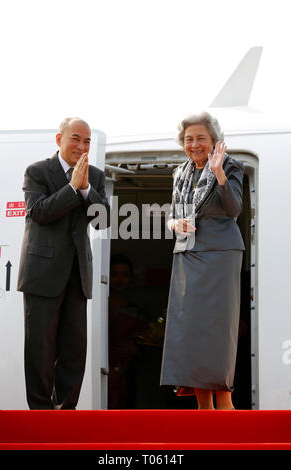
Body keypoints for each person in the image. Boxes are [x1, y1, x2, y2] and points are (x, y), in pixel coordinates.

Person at [17, 117, 110, 409]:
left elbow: (103, 220)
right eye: (75, 139)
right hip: (41, 273)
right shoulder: (37, 171)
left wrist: (84, 190)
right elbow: (39, 212)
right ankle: (42, 414)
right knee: (40, 350)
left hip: (76, 274)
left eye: (87, 141)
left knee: (73, 351)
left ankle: (66, 414)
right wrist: (72, 189)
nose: (82, 146)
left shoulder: (94, 176)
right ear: (59, 139)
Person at [160, 111, 245, 410]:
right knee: (190, 329)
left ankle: (224, 402)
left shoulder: (232, 167)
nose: (194, 144)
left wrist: (218, 172)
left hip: (220, 256)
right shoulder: (180, 173)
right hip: (188, 255)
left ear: (214, 141)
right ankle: (203, 407)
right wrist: (175, 225)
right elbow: (172, 215)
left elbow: (234, 209)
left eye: (201, 139)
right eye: (188, 139)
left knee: (217, 328)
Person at [108, 254, 145, 409]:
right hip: (104, 371)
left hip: (128, 372)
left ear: (131, 279)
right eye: (114, 274)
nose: (119, 280)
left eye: (124, 275)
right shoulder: (98, 312)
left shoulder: (138, 312)